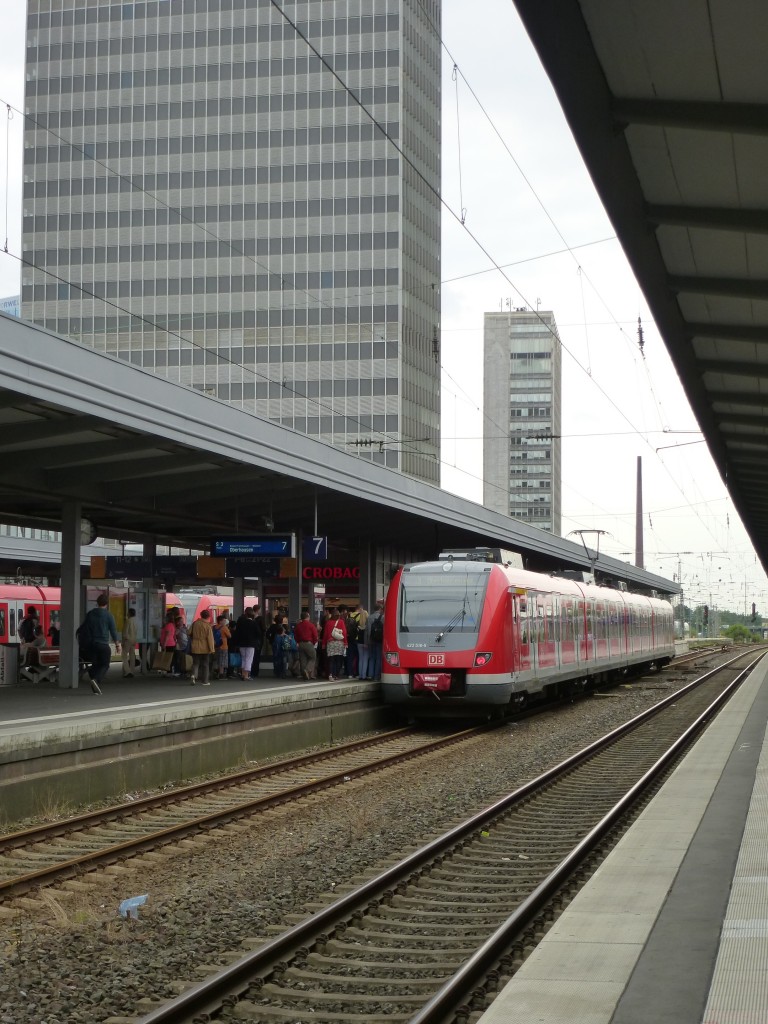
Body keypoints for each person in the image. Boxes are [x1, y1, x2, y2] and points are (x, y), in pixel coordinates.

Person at [83, 592, 120, 694]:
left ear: (97, 603)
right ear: (106, 604)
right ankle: (96, 679)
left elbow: (86, 629)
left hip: (92, 644)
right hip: (103, 644)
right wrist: (117, 645)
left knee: (95, 664)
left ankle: (94, 683)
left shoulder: (90, 614)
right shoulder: (109, 615)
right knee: (105, 664)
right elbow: (113, 631)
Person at [235, 606, 264, 680]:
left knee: (244, 659)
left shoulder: (242, 623)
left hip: (242, 643)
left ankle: (242, 673)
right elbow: (259, 633)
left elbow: (237, 632)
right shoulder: (253, 623)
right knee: (249, 659)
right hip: (251, 644)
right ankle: (246, 675)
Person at [190, 608, 215, 685]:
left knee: (195, 663)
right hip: (205, 647)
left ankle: (193, 675)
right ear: (208, 617)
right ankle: (205, 681)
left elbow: (188, 632)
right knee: (205, 664)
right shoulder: (207, 626)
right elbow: (210, 638)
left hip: (195, 645)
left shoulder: (195, 623)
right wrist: (212, 649)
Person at [321, 609, 347, 681]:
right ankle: (337, 675)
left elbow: (325, 634)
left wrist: (323, 643)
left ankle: (330, 675)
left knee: (331, 660)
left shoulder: (328, 622)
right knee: (338, 660)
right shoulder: (341, 622)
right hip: (340, 643)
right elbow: (344, 633)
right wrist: (345, 642)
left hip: (330, 643)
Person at [293, 610, 318, 680]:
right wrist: (313, 642)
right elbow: (315, 635)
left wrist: (298, 642)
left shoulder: (298, 626)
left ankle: (304, 674)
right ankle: (307, 670)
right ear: (307, 617)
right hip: (308, 643)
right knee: (313, 657)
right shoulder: (311, 625)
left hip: (300, 643)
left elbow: (295, 635)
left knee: (302, 659)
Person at [365, 601, 384, 681]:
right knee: (378, 658)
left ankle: (370, 674)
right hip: (379, 640)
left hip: (371, 640)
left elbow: (367, 630)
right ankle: (376, 676)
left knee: (371, 657)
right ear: (380, 609)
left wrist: (368, 641)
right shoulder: (382, 617)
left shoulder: (369, 617)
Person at [213, 614, 231, 679]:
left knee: (217, 659)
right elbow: (229, 636)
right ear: (220, 621)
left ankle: (216, 672)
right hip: (223, 646)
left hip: (216, 646)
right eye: (223, 620)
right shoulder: (224, 627)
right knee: (222, 660)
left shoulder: (214, 627)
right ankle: (221, 674)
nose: (224, 622)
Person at [122, 607, 138, 678]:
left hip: (128, 640)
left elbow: (125, 633)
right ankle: (132, 671)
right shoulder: (136, 621)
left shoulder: (128, 621)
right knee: (132, 655)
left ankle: (127, 671)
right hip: (134, 639)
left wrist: (123, 641)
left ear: (129, 613)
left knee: (124, 655)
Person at [354, 605, 370, 680]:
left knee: (360, 659)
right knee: (365, 659)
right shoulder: (367, 625)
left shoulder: (358, 624)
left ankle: (360, 675)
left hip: (359, 643)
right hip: (365, 643)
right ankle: (364, 675)